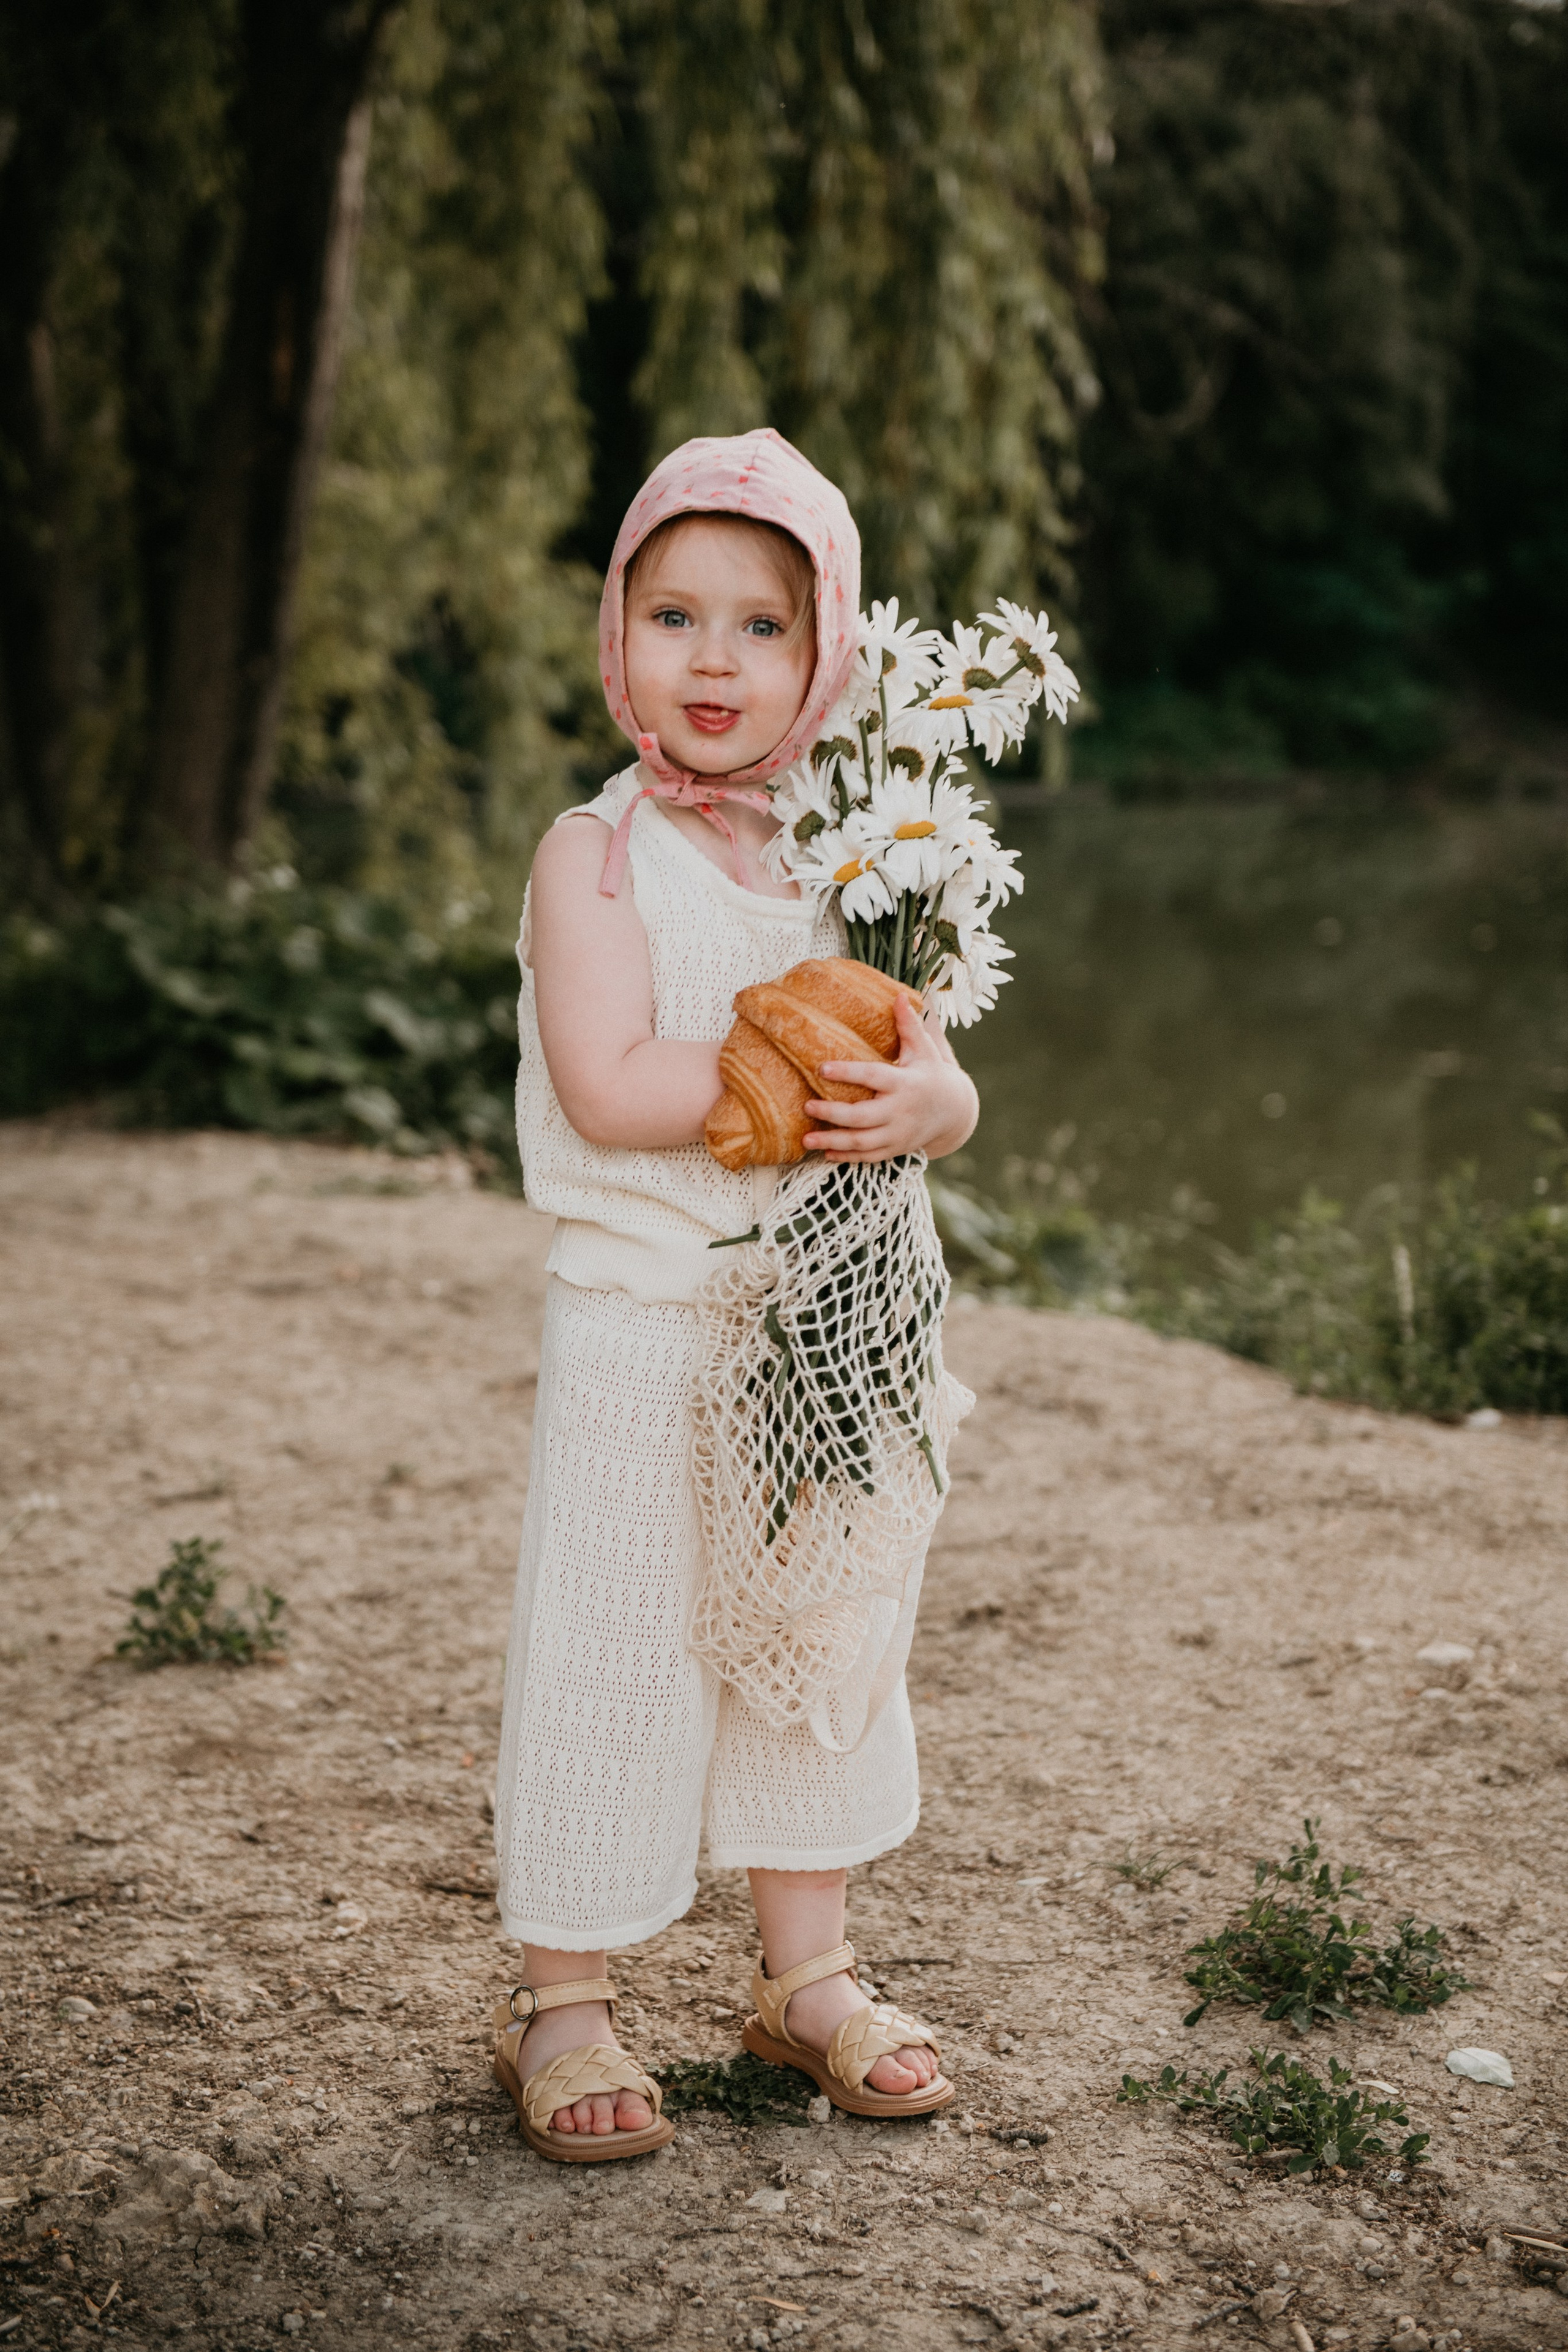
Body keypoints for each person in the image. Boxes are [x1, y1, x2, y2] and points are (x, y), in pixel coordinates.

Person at [489, 429, 978, 2163]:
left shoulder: (861, 861)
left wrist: (938, 1106)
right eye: (674, 614)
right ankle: (566, 1996)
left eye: (762, 626)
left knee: (813, 1649)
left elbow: (928, 1064)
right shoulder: (599, 856)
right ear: (614, 636)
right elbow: (616, 1081)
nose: (715, 659)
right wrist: (790, 1071)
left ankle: (808, 1975)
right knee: (614, 1647)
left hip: (828, 1327)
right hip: (645, 1325)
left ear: (828, 650)